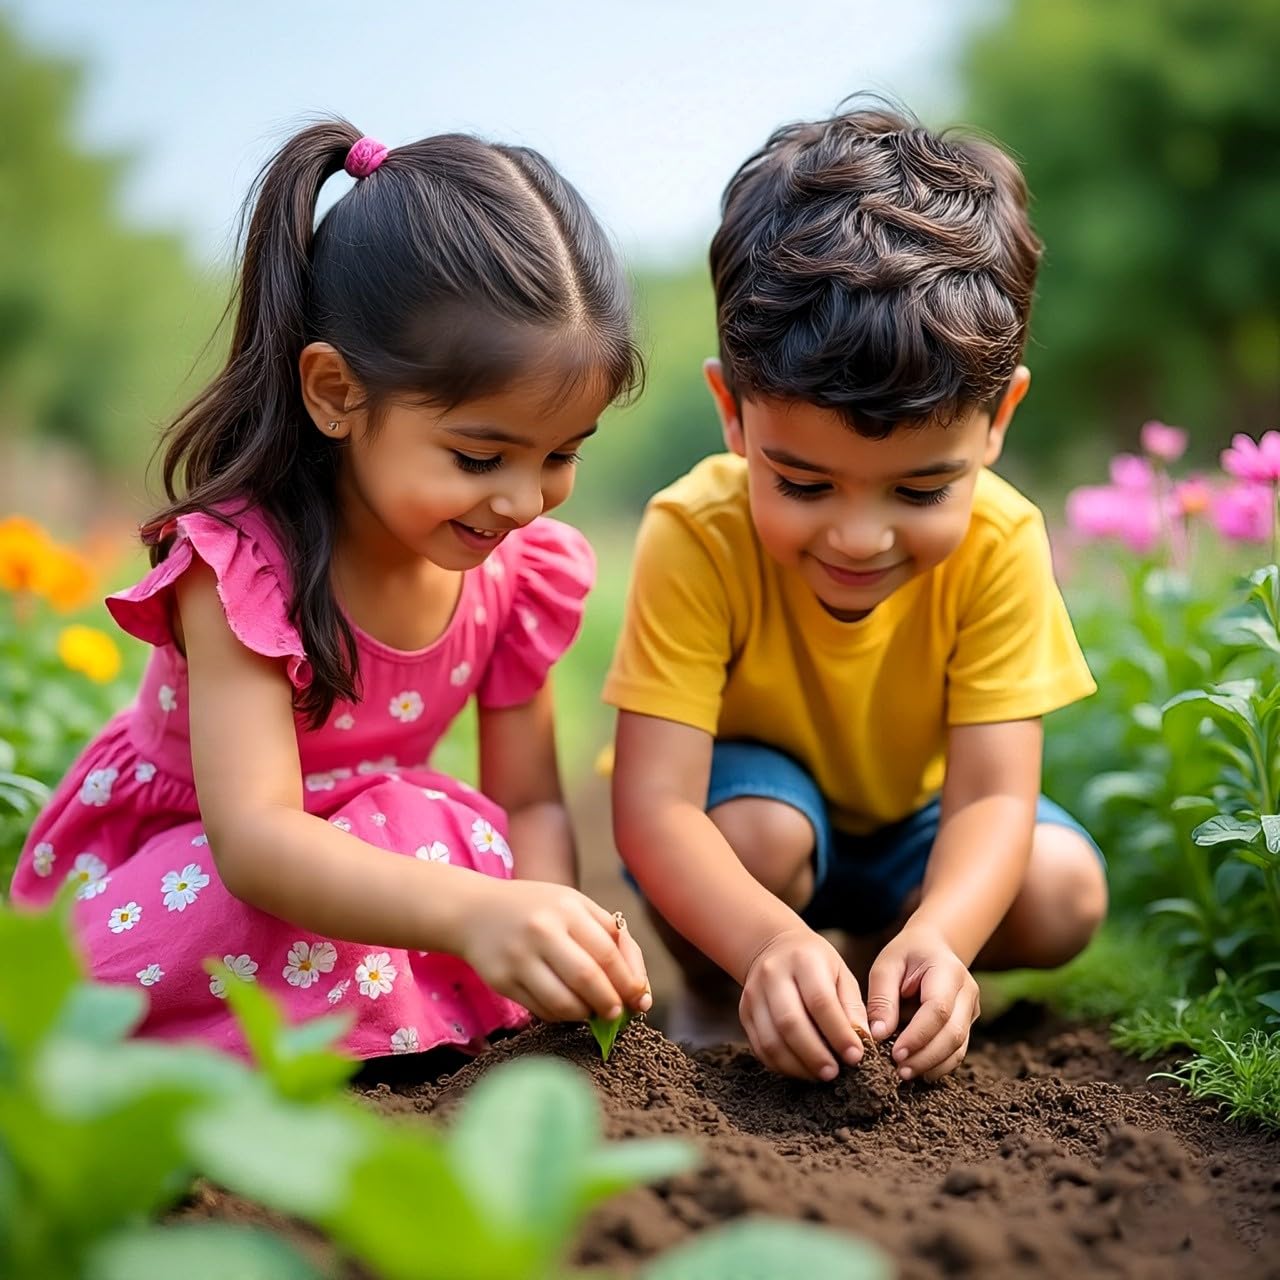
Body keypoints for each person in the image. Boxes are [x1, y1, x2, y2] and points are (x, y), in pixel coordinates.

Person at [13, 120, 651, 1061]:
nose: (524, 502)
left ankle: (382, 1034)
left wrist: (547, 919)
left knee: (450, 835)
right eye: (481, 458)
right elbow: (256, 842)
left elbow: (529, 806)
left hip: (390, 873)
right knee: (227, 909)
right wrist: (475, 915)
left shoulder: (520, 578)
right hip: (215, 869)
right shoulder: (244, 567)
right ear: (336, 393)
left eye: (561, 456)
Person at [605, 103, 1106, 1086]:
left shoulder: (1002, 541)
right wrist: (761, 941)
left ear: (996, 420)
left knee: (1060, 889)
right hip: (750, 816)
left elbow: (994, 794)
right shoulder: (695, 532)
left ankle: (884, 968)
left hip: (912, 825)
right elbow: (655, 806)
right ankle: (720, 988)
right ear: (732, 413)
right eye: (802, 483)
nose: (857, 537)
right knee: (759, 835)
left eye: (918, 491)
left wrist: (943, 935)